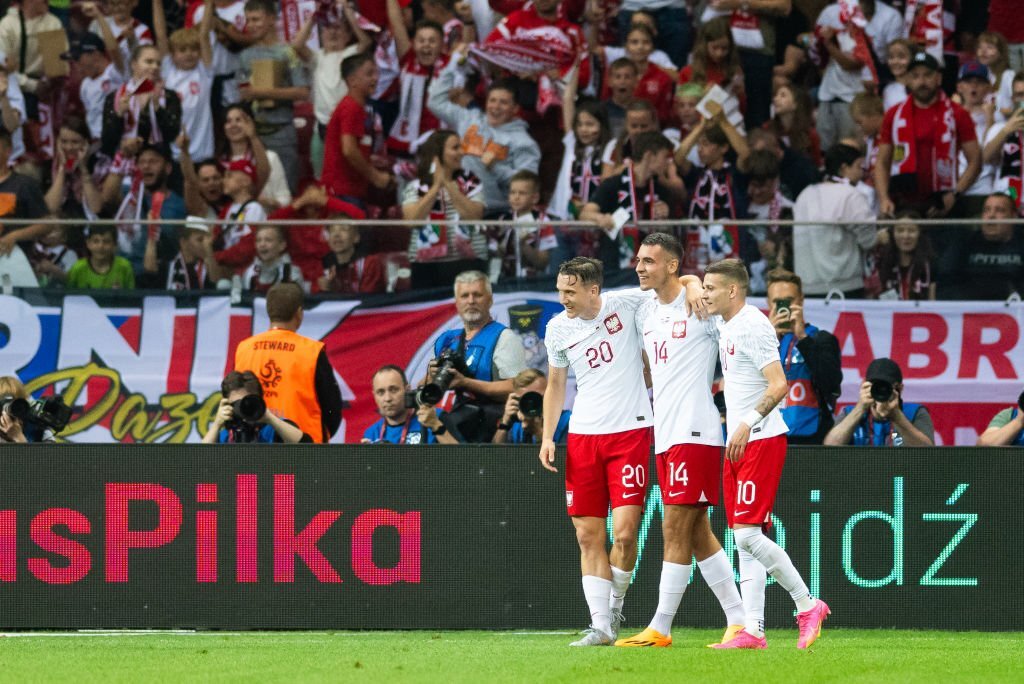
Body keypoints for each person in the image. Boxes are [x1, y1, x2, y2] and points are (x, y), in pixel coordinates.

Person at [616, 234, 746, 649]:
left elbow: (734, 314)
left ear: (672, 266)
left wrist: (693, 283)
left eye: (649, 261)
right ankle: (739, 619)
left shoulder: (701, 307)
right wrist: (688, 280)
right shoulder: (645, 309)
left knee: (674, 527)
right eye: (639, 260)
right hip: (666, 433)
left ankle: (660, 627)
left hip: (696, 431)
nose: (640, 268)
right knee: (696, 533)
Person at [700, 258, 830, 650]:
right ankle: (753, 629)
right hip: (738, 442)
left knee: (747, 534)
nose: (704, 294)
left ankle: (807, 604)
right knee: (745, 538)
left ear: (732, 290)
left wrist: (745, 423)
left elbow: (779, 385)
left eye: (711, 288)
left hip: (759, 438)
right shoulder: (727, 324)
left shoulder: (753, 325)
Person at [538, 256, 657, 646]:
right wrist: (548, 436)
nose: (563, 299)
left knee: (625, 533)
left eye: (570, 291)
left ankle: (615, 607)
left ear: (593, 290)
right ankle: (601, 626)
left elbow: (671, 286)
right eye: (560, 291)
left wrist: (691, 284)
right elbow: (556, 385)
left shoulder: (626, 303)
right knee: (587, 536)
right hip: (583, 438)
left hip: (629, 433)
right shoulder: (557, 328)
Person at [427, 46, 541, 216]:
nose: (496, 106)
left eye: (503, 102)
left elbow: (527, 187)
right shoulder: (469, 118)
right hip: (458, 208)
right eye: (492, 100)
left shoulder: (524, 142)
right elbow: (435, 102)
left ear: (515, 109)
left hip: (495, 213)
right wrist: (453, 65)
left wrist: (496, 167)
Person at [875, 51, 981, 218]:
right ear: (908, 80)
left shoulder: (958, 114)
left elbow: (975, 160)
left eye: (927, 75)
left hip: (943, 200)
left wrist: (955, 194)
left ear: (938, 78)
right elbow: (882, 161)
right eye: (915, 76)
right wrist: (883, 198)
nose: (921, 81)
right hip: (903, 200)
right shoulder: (893, 115)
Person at [233, 282, 343, 443]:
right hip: (302, 446)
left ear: (269, 312)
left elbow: (233, 396)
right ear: (299, 313)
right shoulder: (312, 351)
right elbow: (332, 407)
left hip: (255, 445)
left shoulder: (244, 348)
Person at [430, 270, 527, 442]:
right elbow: (426, 386)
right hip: (452, 429)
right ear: (456, 303)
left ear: (490, 300)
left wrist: (466, 383)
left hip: (491, 433)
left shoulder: (504, 337)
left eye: (477, 295)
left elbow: (520, 388)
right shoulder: (446, 339)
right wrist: (430, 377)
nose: (471, 301)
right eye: (464, 296)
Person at [236, 0, 310, 194]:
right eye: (248, 20)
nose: (250, 25)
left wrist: (262, 92)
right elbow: (242, 93)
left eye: (256, 19)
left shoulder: (287, 52)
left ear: (271, 19)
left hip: (282, 133)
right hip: (254, 134)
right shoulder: (245, 56)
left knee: (286, 192)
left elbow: (303, 91)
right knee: (256, 192)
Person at [581, 131, 677, 279]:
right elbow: (585, 213)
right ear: (649, 156)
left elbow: (670, 235)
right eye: (665, 157)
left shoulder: (661, 191)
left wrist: (665, 218)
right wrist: (600, 218)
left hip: (650, 273)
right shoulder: (613, 184)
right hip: (614, 270)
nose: (668, 163)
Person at [402, 128, 486, 289]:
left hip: (468, 263)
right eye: (455, 148)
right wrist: (435, 188)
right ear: (437, 153)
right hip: (426, 266)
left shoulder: (471, 183)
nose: (461, 152)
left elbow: (475, 216)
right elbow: (411, 220)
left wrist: (449, 186)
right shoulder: (416, 186)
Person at [765, 269, 843, 444]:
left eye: (789, 300)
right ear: (768, 303)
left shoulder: (822, 339)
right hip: (769, 437)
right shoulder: (759, 342)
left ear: (801, 300)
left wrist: (802, 337)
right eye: (777, 302)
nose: (783, 307)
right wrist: (767, 338)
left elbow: (831, 384)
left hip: (811, 439)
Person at [793, 143, 877, 297]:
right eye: (859, 167)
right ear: (844, 168)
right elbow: (869, 239)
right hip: (844, 287)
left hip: (807, 287)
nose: (862, 173)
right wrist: (881, 237)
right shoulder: (850, 195)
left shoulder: (804, 194)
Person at [321, 51, 392, 209]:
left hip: (352, 189)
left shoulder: (358, 108)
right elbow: (349, 150)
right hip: (342, 191)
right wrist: (375, 176)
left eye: (376, 73)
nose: (376, 78)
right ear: (352, 80)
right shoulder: (351, 107)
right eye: (369, 74)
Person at [153, 0, 215, 162]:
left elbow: (204, 35)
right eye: (182, 50)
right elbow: (160, 35)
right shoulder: (168, 71)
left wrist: (210, 3)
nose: (189, 54)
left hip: (203, 154)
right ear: (172, 54)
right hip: (176, 154)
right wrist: (156, 3)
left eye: (194, 49)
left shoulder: (204, 71)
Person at [824, 357, 935, 446]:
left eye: (887, 387)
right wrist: (860, 408)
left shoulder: (915, 412)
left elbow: (928, 453)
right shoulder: (849, 413)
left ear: (899, 388)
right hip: (861, 468)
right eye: (875, 385)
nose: (881, 391)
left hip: (899, 468)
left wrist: (897, 417)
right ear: (864, 384)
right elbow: (829, 447)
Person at [947, 191, 1024, 300]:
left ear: (1013, 217)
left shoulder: (1021, 243)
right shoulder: (966, 243)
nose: (991, 216)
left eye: (999, 210)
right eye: (986, 210)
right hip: (972, 307)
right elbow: (947, 282)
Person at [203, 370, 311, 443]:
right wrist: (216, 425)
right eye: (236, 405)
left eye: (247, 403)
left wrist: (269, 418)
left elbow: (306, 448)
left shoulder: (273, 429)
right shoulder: (224, 436)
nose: (242, 409)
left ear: (259, 401)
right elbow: (199, 460)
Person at [363, 365, 458, 445]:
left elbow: (462, 458)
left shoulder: (436, 417)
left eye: (393, 390)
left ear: (407, 389)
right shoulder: (371, 434)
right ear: (374, 395)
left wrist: (436, 425)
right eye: (380, 392)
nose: (387, 398)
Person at [491, 170, 556, 281]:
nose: (516, 197)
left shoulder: (543, 221)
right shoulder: (502, 220)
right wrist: (499, 248)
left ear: (535, 198)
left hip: (534, 282)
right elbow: (495, 256)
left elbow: (542, 263)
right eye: (512, 192)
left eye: (522, 193)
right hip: (505, 281)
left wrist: (523, 245)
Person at [60, 31, 124, 142]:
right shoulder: (85, 85)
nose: (75, 65)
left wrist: (100, 20)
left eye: (77, 59)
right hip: (96, 141)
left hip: (119, 139)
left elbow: (114, 49)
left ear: (95, 55)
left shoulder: (115, 73)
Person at [493, 368, 570, 445]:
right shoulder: (517, 425)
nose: (535, 404)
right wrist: (505, 423)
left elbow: (562, 453)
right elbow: (495, 452)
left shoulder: (567, 422)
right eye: (529, 399)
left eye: (540, 397)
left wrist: (538, 433)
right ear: (518, 401)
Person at [871, 211, 936, 300]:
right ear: (892, 233)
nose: (906, 236)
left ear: (919, 234)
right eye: (900, 230)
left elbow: (932, 301)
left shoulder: (928, 264)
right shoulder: (882, 262)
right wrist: (877, 240)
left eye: (911, 231)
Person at [66, 224, 135, 290]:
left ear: (115, 245)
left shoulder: (124, 267)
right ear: (88, 243)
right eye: (96, 241)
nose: (101, 246)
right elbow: (68, 294)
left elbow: (131, 295)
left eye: (106, 242)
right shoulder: (78, 268)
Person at [241, 225, 307, 293]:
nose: (262, 244)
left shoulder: (291, 274)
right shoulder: (250, 273)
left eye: (268, 240)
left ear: (282, 245)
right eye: (258, 240)